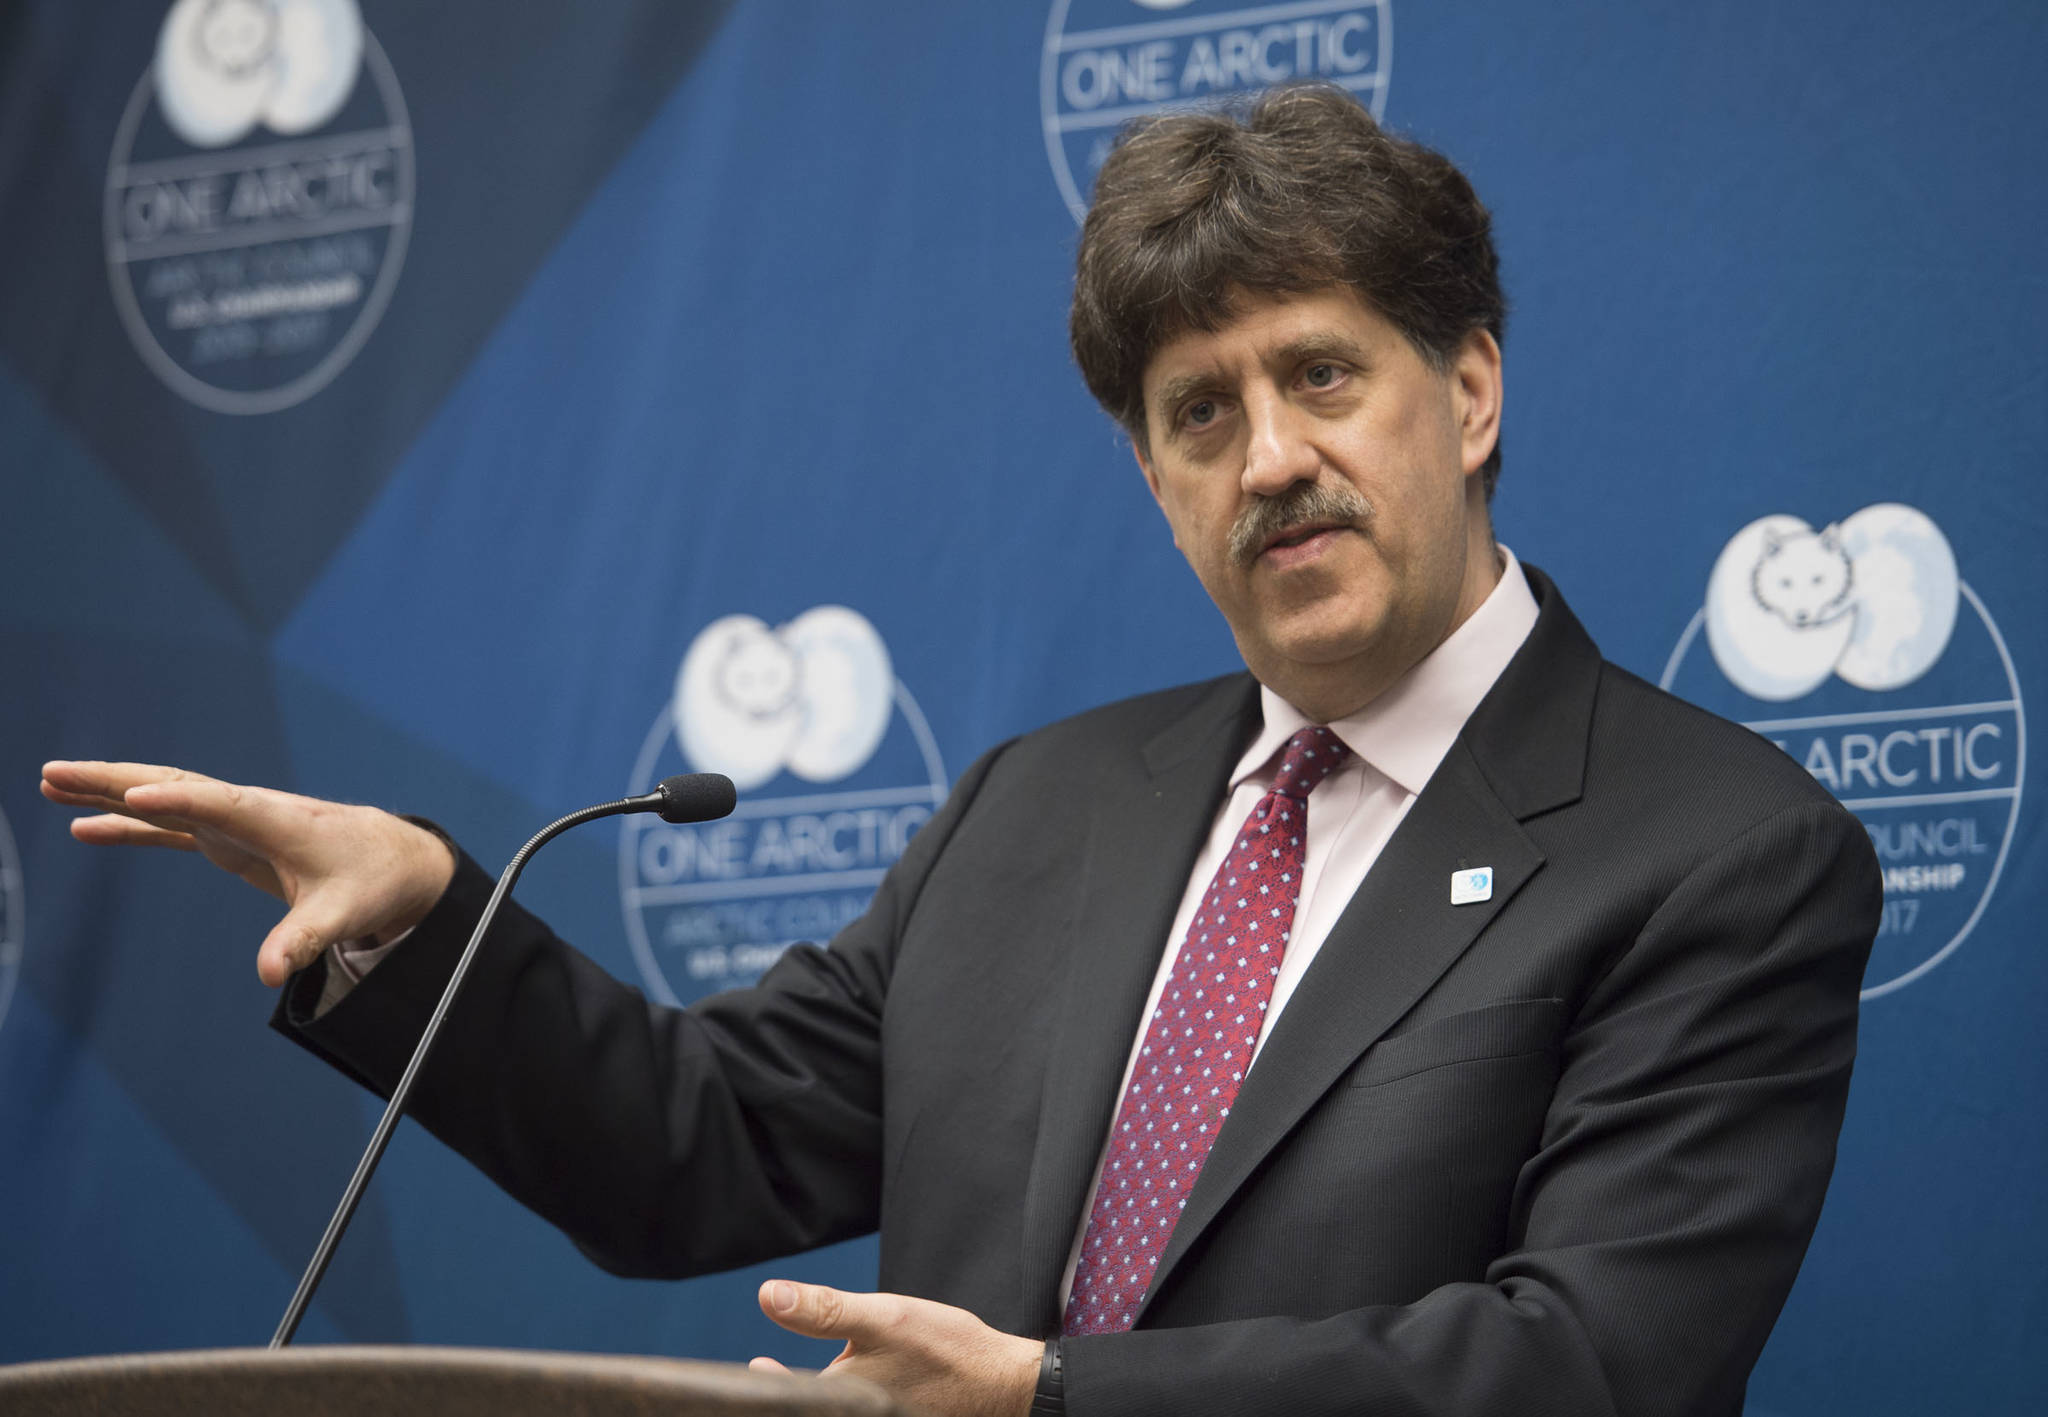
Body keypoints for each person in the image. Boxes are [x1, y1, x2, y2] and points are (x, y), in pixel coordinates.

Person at [41, 85, 1879, 1417]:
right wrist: (426, 917)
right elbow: (695, 1149)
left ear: (1466, 391)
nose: (1268, 459)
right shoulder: (1042, 806)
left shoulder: (1717, 849)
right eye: (1197, 413)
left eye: (1322, 374)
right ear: (1151, 479)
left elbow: (1596, 1361)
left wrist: (1058, 1401)